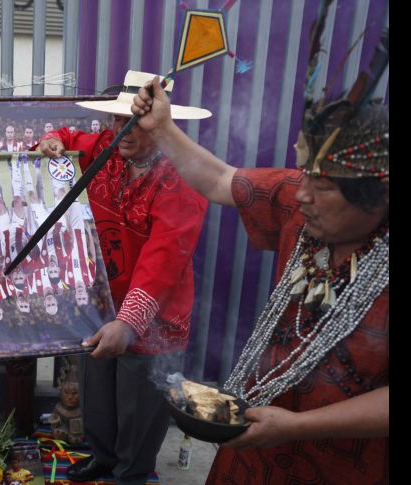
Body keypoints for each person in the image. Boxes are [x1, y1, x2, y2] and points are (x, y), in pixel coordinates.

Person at [132, 36, 390, 483]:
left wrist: (298, 427)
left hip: (342, 466)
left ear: (380, 197)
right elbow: (219, 180)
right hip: (253, 446)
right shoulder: (295, 203)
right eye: (305, 175)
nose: (302, 194)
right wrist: (162, 129)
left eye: (323, 187)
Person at [37, 70, 209, 485]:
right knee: (97, 391)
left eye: (134, 121)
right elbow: (65, 137)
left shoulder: (182, 177)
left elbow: (164, 257)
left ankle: (132, 472)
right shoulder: (106, 148)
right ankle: (103, 456)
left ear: (161, 123)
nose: (122, 130)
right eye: (116, 119)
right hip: (101, 302)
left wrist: (129, 321)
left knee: (140, 403)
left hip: (154, 312)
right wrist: (50, 141)